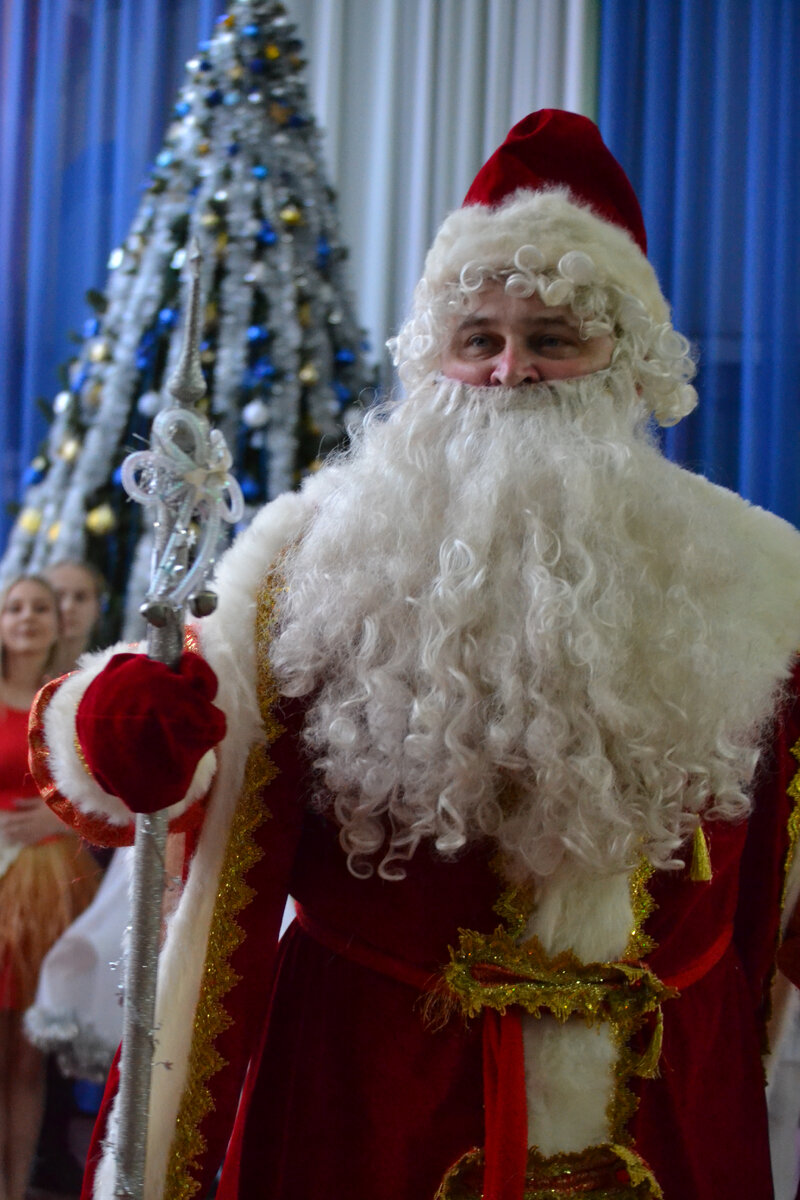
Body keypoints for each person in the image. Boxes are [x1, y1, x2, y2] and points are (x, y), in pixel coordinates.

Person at [29, 110, 800, 1200]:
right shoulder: (307, 557)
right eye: (475, 338)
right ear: (430, 361)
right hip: (373, 1102)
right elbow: (164, 765)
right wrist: (119, 727)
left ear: (624, 368)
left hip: (666, 1107)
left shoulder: (763, 574)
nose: (507, 372)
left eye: (550, 339)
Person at [0, 576, 99, 1200]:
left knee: (28, 1056)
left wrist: (59, 814)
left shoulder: (67, 699)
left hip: (49, 890)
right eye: (14, 607)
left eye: (41, 606)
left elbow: (104, 792)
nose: (29, 617)